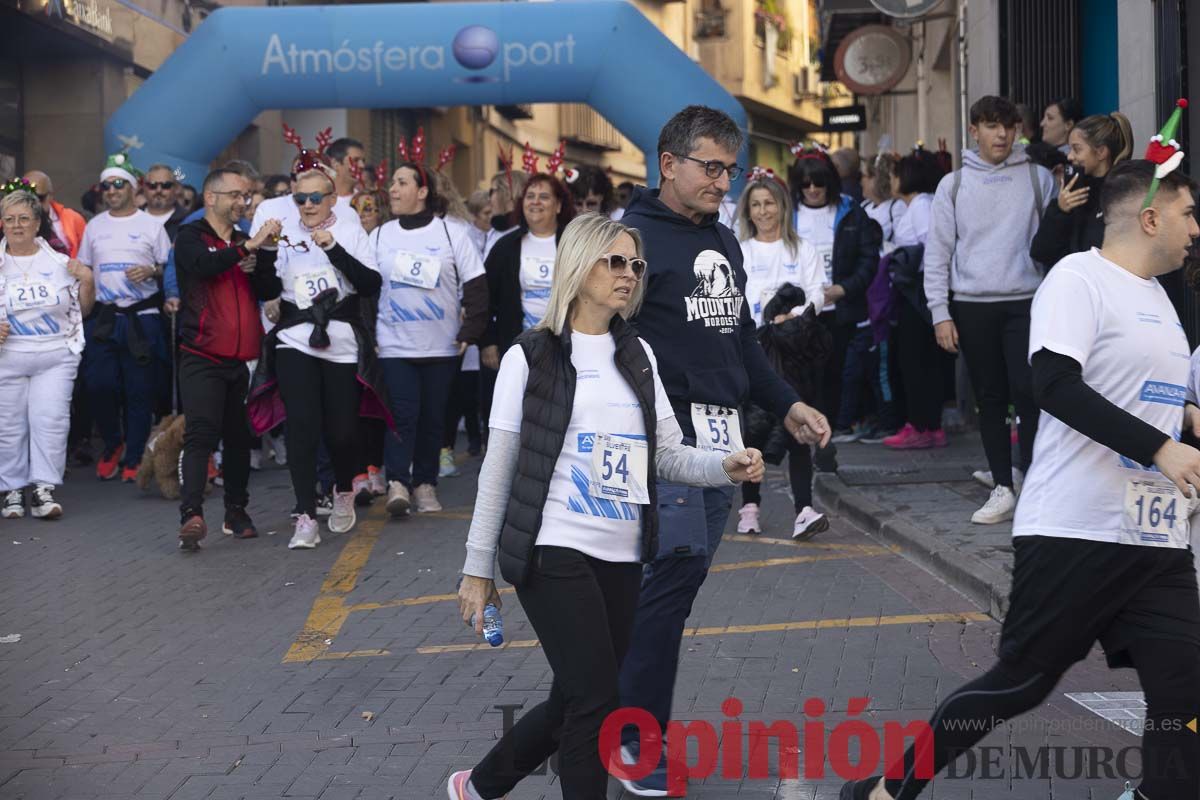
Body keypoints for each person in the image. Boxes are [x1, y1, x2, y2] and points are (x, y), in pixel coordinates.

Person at [842, 157, 1200, 800]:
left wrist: (1185, 417)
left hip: (1154, 537)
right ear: (1150, 218)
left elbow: (1138, 389)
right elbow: (1054, 385)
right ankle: (890, 788)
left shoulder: (1162, 299)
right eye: (1187, 212)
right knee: (1019, 683)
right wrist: (1161, 448)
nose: (1196, 227)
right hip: (1075, 529)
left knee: (1186, 690)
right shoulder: (1077, 278)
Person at [450, 213, 766, 800]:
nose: (628, 275)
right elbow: (497, 471)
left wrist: (723, 465)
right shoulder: (532, 357)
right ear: (579, 265)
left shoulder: (638, 353)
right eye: (614, 262)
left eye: (635, 265)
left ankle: (481, 785)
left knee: (580, 694)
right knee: (596, 703)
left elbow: (668, 455)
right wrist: (477, 569)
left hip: (623, 553)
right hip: (554, 548)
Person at [615, 106, 830, 795]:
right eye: (709, 166)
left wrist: (788, 404)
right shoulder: (630, 238)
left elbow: (738, 341)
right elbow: (597, 341)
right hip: (664, 446)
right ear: (667, 162)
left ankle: (621, 723)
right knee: (666, 591)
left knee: (669, 596)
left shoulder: (721, 239)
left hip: (723, 441)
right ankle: (633, 743)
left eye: (728, 169)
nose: (721, 181)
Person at [924, 96, 1055, 524]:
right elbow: (938, 253)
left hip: (1026, 301)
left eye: (1009, 126)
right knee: (991, 399)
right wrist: (940, 312)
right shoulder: (954, 184)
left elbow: (1053, 244)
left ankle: (1034, 483)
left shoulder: (1038, 179)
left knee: (1031, 393)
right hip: (973, 305)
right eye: (991, 126)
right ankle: (1003, 485)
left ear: (1017, 130)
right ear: (974, 130)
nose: (1001, 135)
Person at [248, 168, 383, 549]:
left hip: (340, 338)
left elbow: (371, 284)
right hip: (295, 336)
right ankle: (305, 515)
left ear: (332, 198)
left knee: (342, 431)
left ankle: (343, 488)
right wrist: (265, 251)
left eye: (314, 198)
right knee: (302, 428)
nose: (306, 206)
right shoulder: (284, 233)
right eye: (299, 199)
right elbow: (266, 287)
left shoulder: (351, 231)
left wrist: (333, 250)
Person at [373, 159, 488, 516]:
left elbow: (476, 286)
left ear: (422, 192)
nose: (393, 189)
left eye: (402, 182)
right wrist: (369, 335)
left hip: (442, 346)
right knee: (402, 414)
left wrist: (470, 331)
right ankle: (397, 482)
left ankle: (425, 484)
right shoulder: (380, 235)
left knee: (432, 418)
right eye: (392, 182)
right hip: (394, 344)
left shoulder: (452, 232)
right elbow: (366, 288)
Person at [173, 168, 278, 549]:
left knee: (239, 437)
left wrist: (260, 260)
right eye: (235, 195)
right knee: (201, 432)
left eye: (246, 195)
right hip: (201, 354)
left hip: (242, 359)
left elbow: (270, 289)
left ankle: (236, 511)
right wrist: (246, 251)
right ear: (211, 197)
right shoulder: (189, 237)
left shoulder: (244, 241)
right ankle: (192, 514)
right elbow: (205, 266)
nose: (242, 202)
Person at [733, 168, 828, 537]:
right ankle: (749, 508)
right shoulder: (739, 250)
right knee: (754, 429)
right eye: (755, 204)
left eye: (769, 203)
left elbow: (817, 291)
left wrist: (796, 315)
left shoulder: (801, 248)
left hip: (794, 353)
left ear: (782, 205)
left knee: (798, 427)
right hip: (754, 351)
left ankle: (803, 509)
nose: (763, 211)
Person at [77, 153, 171, 482]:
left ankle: (133, 455)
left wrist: (151, 270)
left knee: (138, 390)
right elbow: (84, 269)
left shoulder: (151, 225)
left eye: (118, 184)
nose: (112, 190)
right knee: (99, 384)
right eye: (107, 185)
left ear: (133, 188)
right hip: (105, 317)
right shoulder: (94, 226)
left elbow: (168, 268)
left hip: (141, 317)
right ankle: (113, 444)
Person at [0, 190, 94, 519]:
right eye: (9, 219)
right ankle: (11, 489)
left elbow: (82, 311)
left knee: (50, 421)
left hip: (55, 356)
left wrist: (87, 280)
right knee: (8, 425)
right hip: (7, 358)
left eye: (24, 218)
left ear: (38, 223)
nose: (16, 225)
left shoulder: (59, 262)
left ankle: (43, 488)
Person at [788, 146, 885, 444]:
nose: (813, 189)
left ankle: (828, 436)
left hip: (840, 311)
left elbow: (869, 258)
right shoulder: (786, 213)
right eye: (806, 184)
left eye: (819, 182)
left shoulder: (850, 210)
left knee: (836, 376)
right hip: (798, 313)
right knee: (800, 379)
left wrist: (844, 289)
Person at [882, 150, 952, 450]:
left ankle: (925, 425)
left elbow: (931, 244)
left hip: (919, 293)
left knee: (917, 361)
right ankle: (922, 422)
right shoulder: (913, 206)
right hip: (911, 293)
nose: (891, 180)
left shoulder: (922, 205)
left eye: (895, 174)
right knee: (914, 361)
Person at [481, 173, 577, 373]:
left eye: (544, 196)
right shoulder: (505, 247)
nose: (535, 202)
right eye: (530, 196)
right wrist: (487, 342)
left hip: (567, 349)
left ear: (558, 205)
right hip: (518, 347)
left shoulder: (575, 246)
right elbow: (485, 298)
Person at [1030, 112, 1134, 269]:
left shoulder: (1125, 193)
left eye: (1077, 149)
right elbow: (1041, 252)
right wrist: (1060, 210)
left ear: (1101, 152)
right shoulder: (1073, 189)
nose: (1070, 156)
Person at [21, 171, 86, 257]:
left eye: (39, 197)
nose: (33, 203)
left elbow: (86, 258)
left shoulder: (74, 219)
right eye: (26, 198)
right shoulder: (8, 223)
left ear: (51, 195)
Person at [860, 153, 906, 245]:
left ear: (875, 178)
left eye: (863, 175)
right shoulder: (864, 205)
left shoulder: (897, 207)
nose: (861, 180)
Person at [143, 164, 189, 241]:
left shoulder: (188, 221)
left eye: (166, 185)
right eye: (152, 185)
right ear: (144, 188)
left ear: (176, 188)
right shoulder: (130, 217)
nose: (158, 190)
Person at [326, 137, 366, 207]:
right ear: (335, 163)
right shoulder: (320, 202)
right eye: (355, 160)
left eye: (363, 161)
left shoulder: (364, 201)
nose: (362, 165)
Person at [466, 189, 491, 255]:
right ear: (473, 215)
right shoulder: (466, 236)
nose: (491, 216)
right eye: (487, 213)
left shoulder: (497, 231)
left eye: (492, 212)